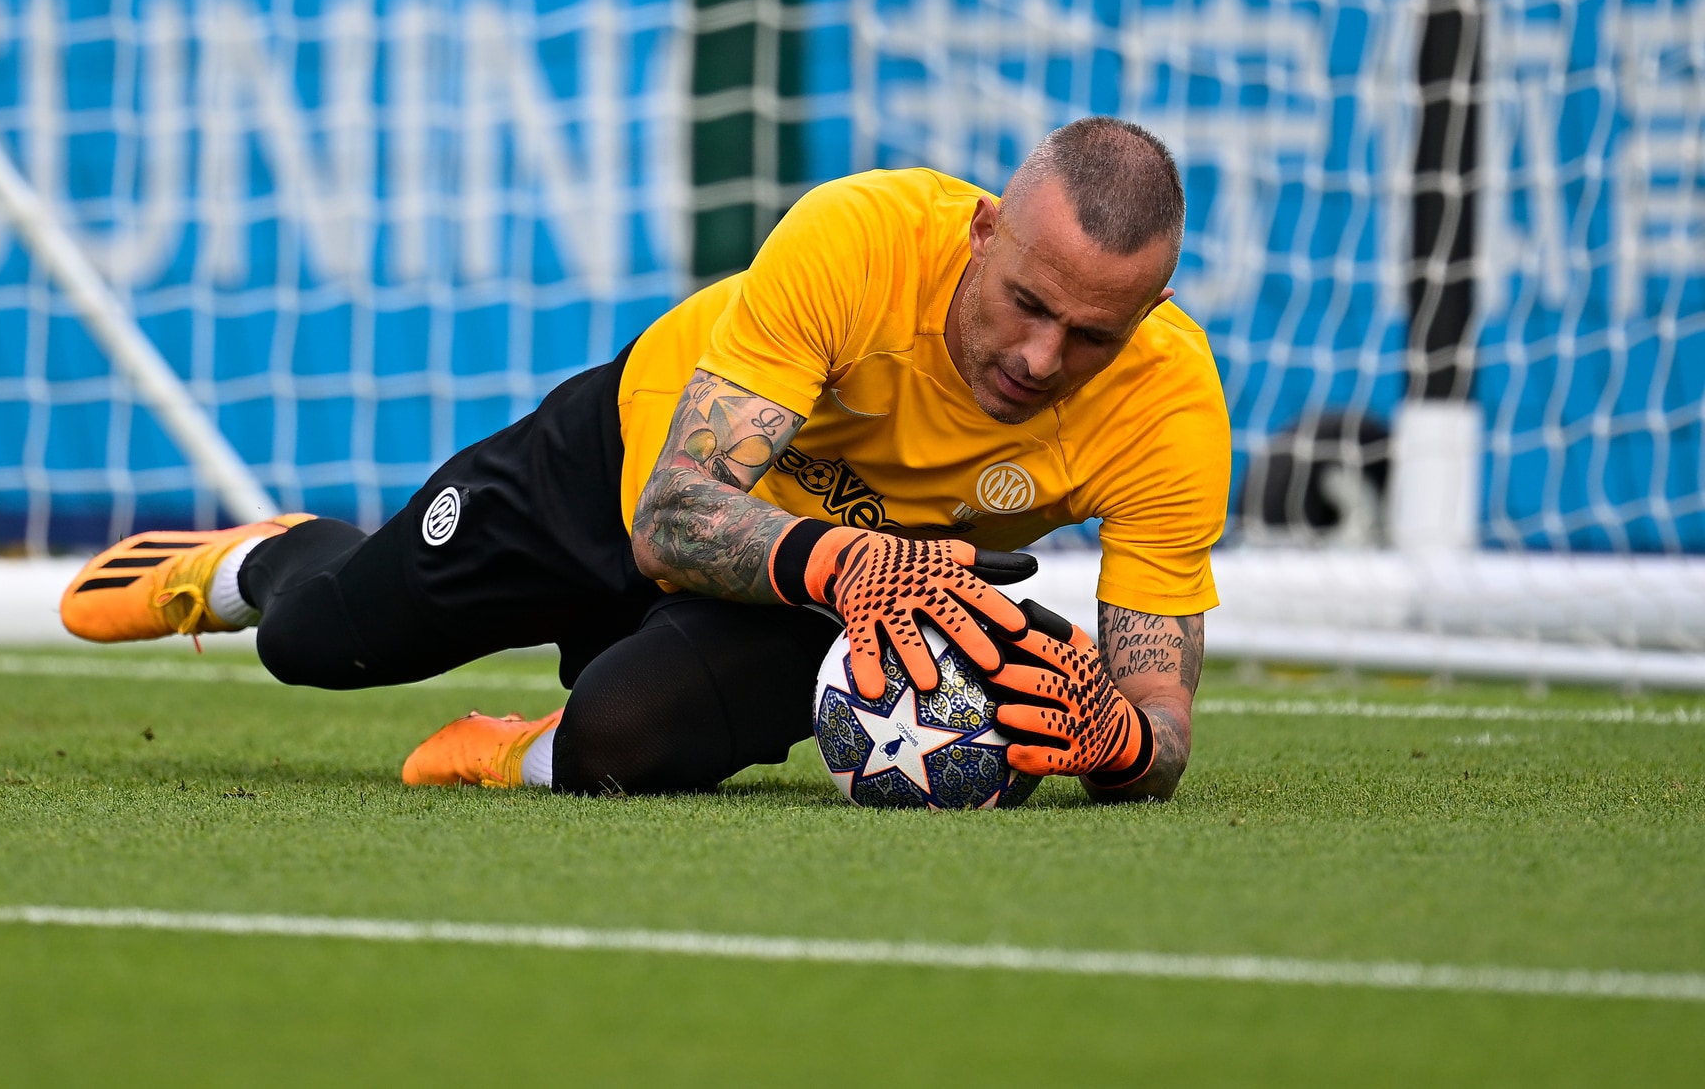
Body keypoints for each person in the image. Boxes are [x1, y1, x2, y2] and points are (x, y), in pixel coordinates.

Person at [59, 116, 1230, 801]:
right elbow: (670, 517)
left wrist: (1123, 743)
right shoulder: (860, 237)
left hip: (818, 593)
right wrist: (849, 563)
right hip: (623, 461)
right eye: (1026, 302)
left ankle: (523, 750)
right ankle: (266, 559)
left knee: (615, 738)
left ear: (1149, 311)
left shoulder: (1169, 406)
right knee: (316, 643)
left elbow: (1160, 710)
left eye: (1090, 334)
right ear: (981, 231)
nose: (1039, 357)